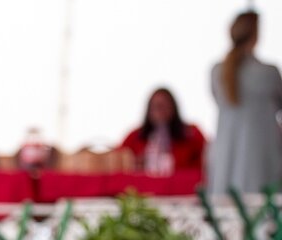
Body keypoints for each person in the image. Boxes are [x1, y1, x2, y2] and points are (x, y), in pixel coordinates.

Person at [208, 11, 282, 195]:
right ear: (256, 34)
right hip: (261, 157)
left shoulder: (217, 72)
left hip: (227, 158)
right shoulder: (268, 73)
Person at [119, 87, 206, 175]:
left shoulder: (192, 134)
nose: (160, 111)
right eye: (156, 106)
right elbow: (118, 161)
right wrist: (135, 164)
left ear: (173, 107)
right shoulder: (135, 137)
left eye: (164, 106)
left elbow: (206, 162)